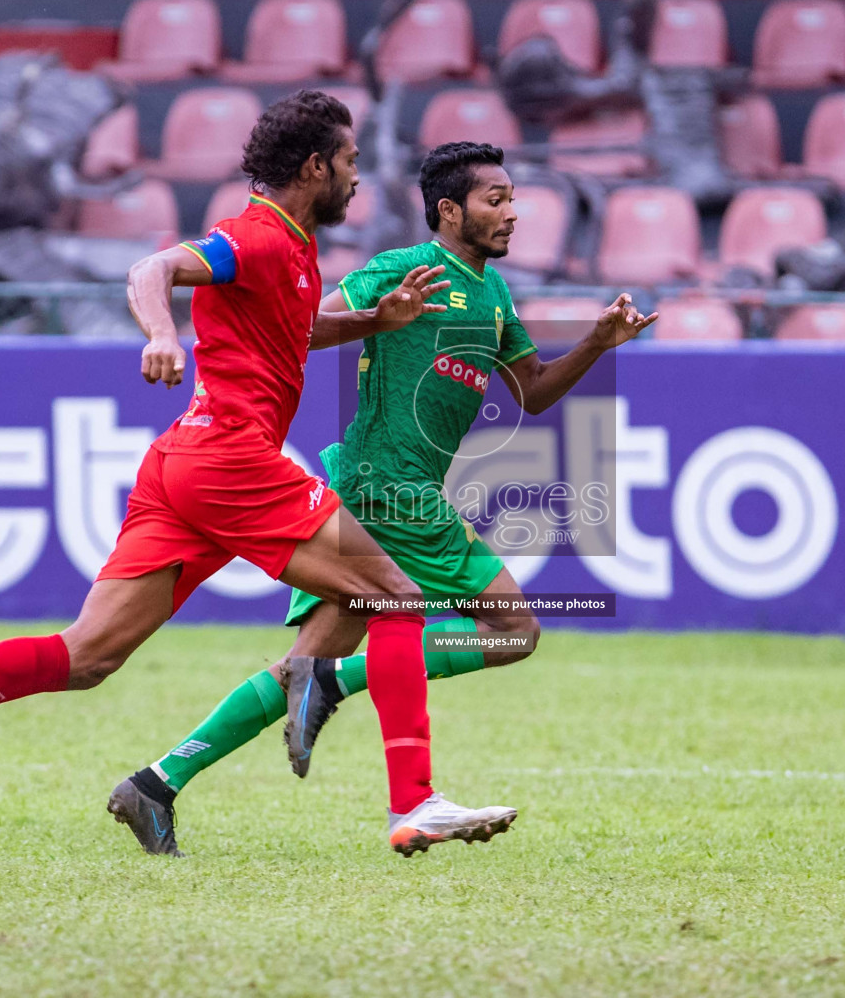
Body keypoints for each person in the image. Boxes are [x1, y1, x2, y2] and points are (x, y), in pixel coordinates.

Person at [0, 91, 518, 859]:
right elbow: (155, 266)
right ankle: (413, 802)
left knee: (88, 656)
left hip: (184, 466)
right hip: (233, 460)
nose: (358, 178)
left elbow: (294, 330)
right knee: (393, 595)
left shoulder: (290, 246)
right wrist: (161, 334)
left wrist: (369, 323)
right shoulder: (252, 235)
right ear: (316, 166)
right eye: (350, 162)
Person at [111, 141, 656, 856]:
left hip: (401, 490)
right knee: (513, 630)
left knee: (303, 666)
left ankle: (155, 784)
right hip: (385, 488)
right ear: (450, 210)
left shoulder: (492, 295)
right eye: (496, 199)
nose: (513, 213)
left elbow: (534, 391)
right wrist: (373, 319)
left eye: (513, 199)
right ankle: (347, 698)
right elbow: (301, 326)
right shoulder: (403, 268)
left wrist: (595, 343)